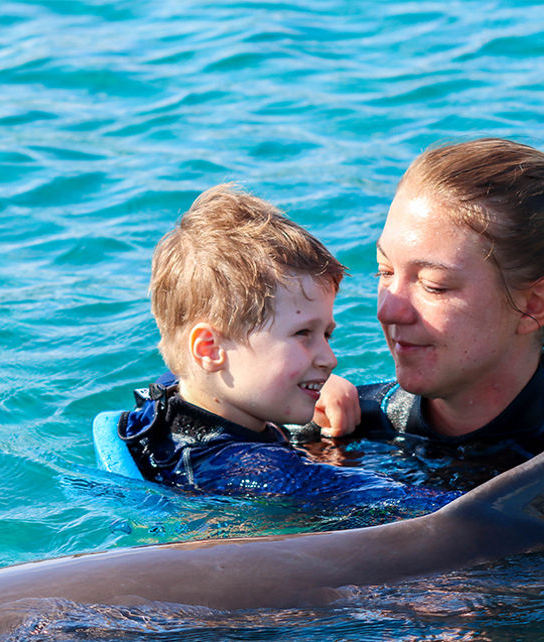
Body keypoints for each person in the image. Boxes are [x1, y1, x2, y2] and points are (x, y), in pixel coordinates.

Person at [116, 184, 456, 511]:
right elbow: (415, 508)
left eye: (327, 335)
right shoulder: (257, 473)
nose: (329, 359)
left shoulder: (168, 404)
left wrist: (309, 385)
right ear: (209, 349)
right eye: (303, 334)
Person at [313, 138, 544, 484]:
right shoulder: (347, 427)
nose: (388, 310)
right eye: (385, 272)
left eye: (433, 285)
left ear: (532, 305)